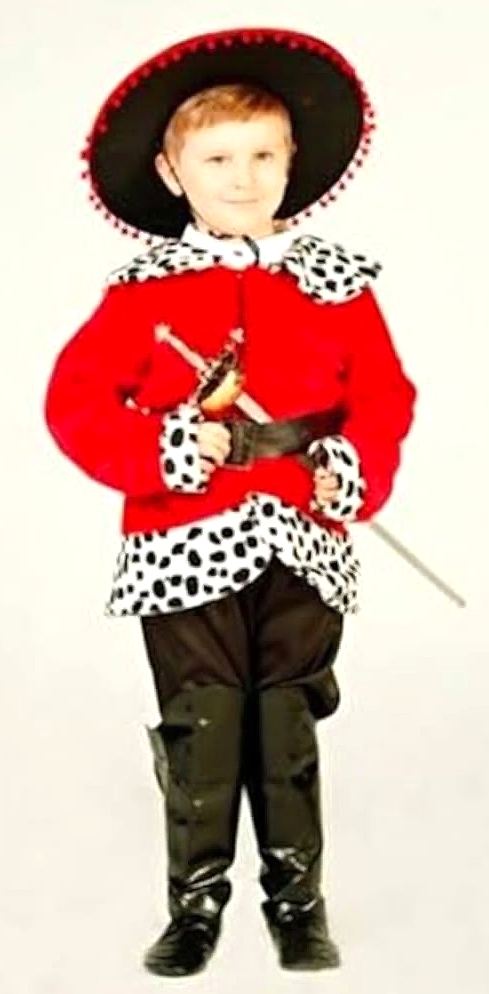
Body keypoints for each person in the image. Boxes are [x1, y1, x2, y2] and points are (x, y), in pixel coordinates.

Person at [43, 25, 417, 976]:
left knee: (285, 719)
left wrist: (354, 463)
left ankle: (297, 903)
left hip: (304, 530)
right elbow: (75, 406)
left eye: (261, 156)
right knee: (204, 720)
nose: (242, 179)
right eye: (217, 160)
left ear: (292, 163)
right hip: (182, 539)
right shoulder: (141, 295)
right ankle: (195, 906)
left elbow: (383, 396)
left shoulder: (336, 285)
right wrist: (164, 448)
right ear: (172, 174)